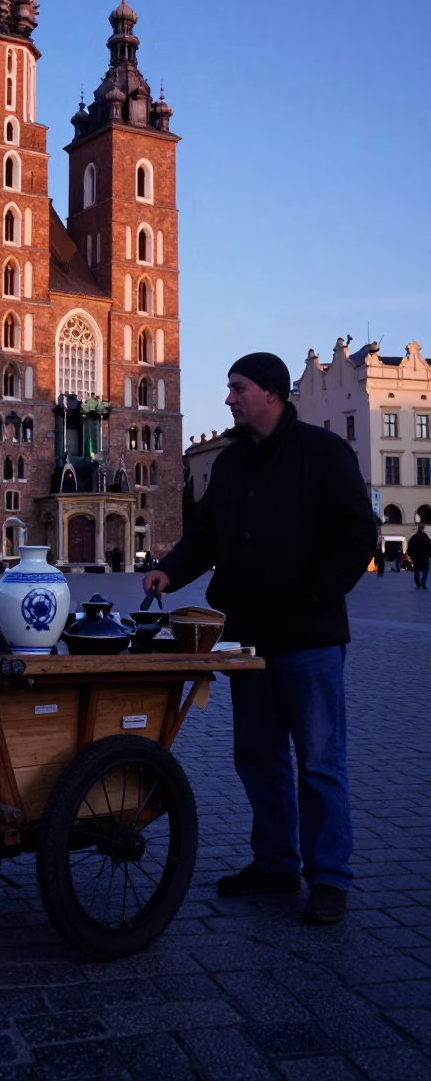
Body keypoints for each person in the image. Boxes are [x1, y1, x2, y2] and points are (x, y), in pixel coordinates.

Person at [144, 352, 377, 926]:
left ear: (270, 393)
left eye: (237, 388)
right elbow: (205, 537)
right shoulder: (228, 465)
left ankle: (328, 878)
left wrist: (317, 593)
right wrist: (169, 572)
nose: (228, 398)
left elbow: (357, 533)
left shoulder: (323, 454)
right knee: (257, 754)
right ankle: (275, 863)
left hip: (309, 636)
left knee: (319, 762)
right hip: (247, 638)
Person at [407, 525, 431, 590]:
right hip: (424, 557)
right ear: (423, 529)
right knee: (425, 571)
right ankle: (423, 583)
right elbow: (429, 547)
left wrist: (411, 555)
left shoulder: (414, 537)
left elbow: (410, 548)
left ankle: (418, 584)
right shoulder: (426, 537)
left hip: (416, 558)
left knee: (416, 571)